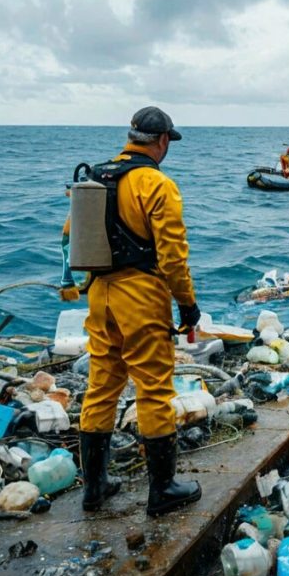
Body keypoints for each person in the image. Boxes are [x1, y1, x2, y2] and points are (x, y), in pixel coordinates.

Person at [75, 106, 202, 516]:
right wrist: (187, 303)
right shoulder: (157, 184)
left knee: (101, 385)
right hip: (141, 297)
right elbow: (172, 257)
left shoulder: (95, 177)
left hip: (99, 294)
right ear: (162, 141)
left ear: (131, 137)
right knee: (154, 389)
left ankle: (94, 488)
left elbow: (70, 235)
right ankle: (162, 490)